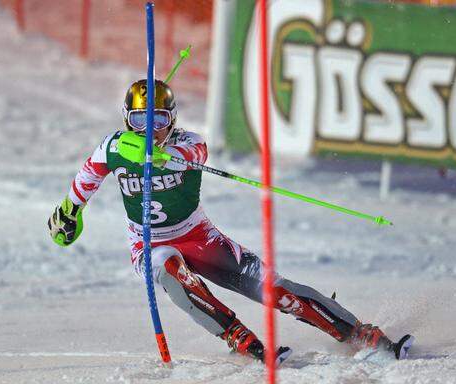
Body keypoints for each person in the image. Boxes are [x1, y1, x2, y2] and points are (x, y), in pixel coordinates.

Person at [47, 79, 413, 363]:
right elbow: (85, 180)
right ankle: (237, 336)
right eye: (139, 120)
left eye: (158, 120)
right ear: (127, 120)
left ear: (172, 120)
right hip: (148, 244)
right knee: (171, 271)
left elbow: (190, 152)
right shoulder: (113, 147)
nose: (149, 129)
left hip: (199, 236)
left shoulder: (189, 144)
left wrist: (160, 156)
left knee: (273, 287)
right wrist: (68, 214)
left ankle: (357, 332)